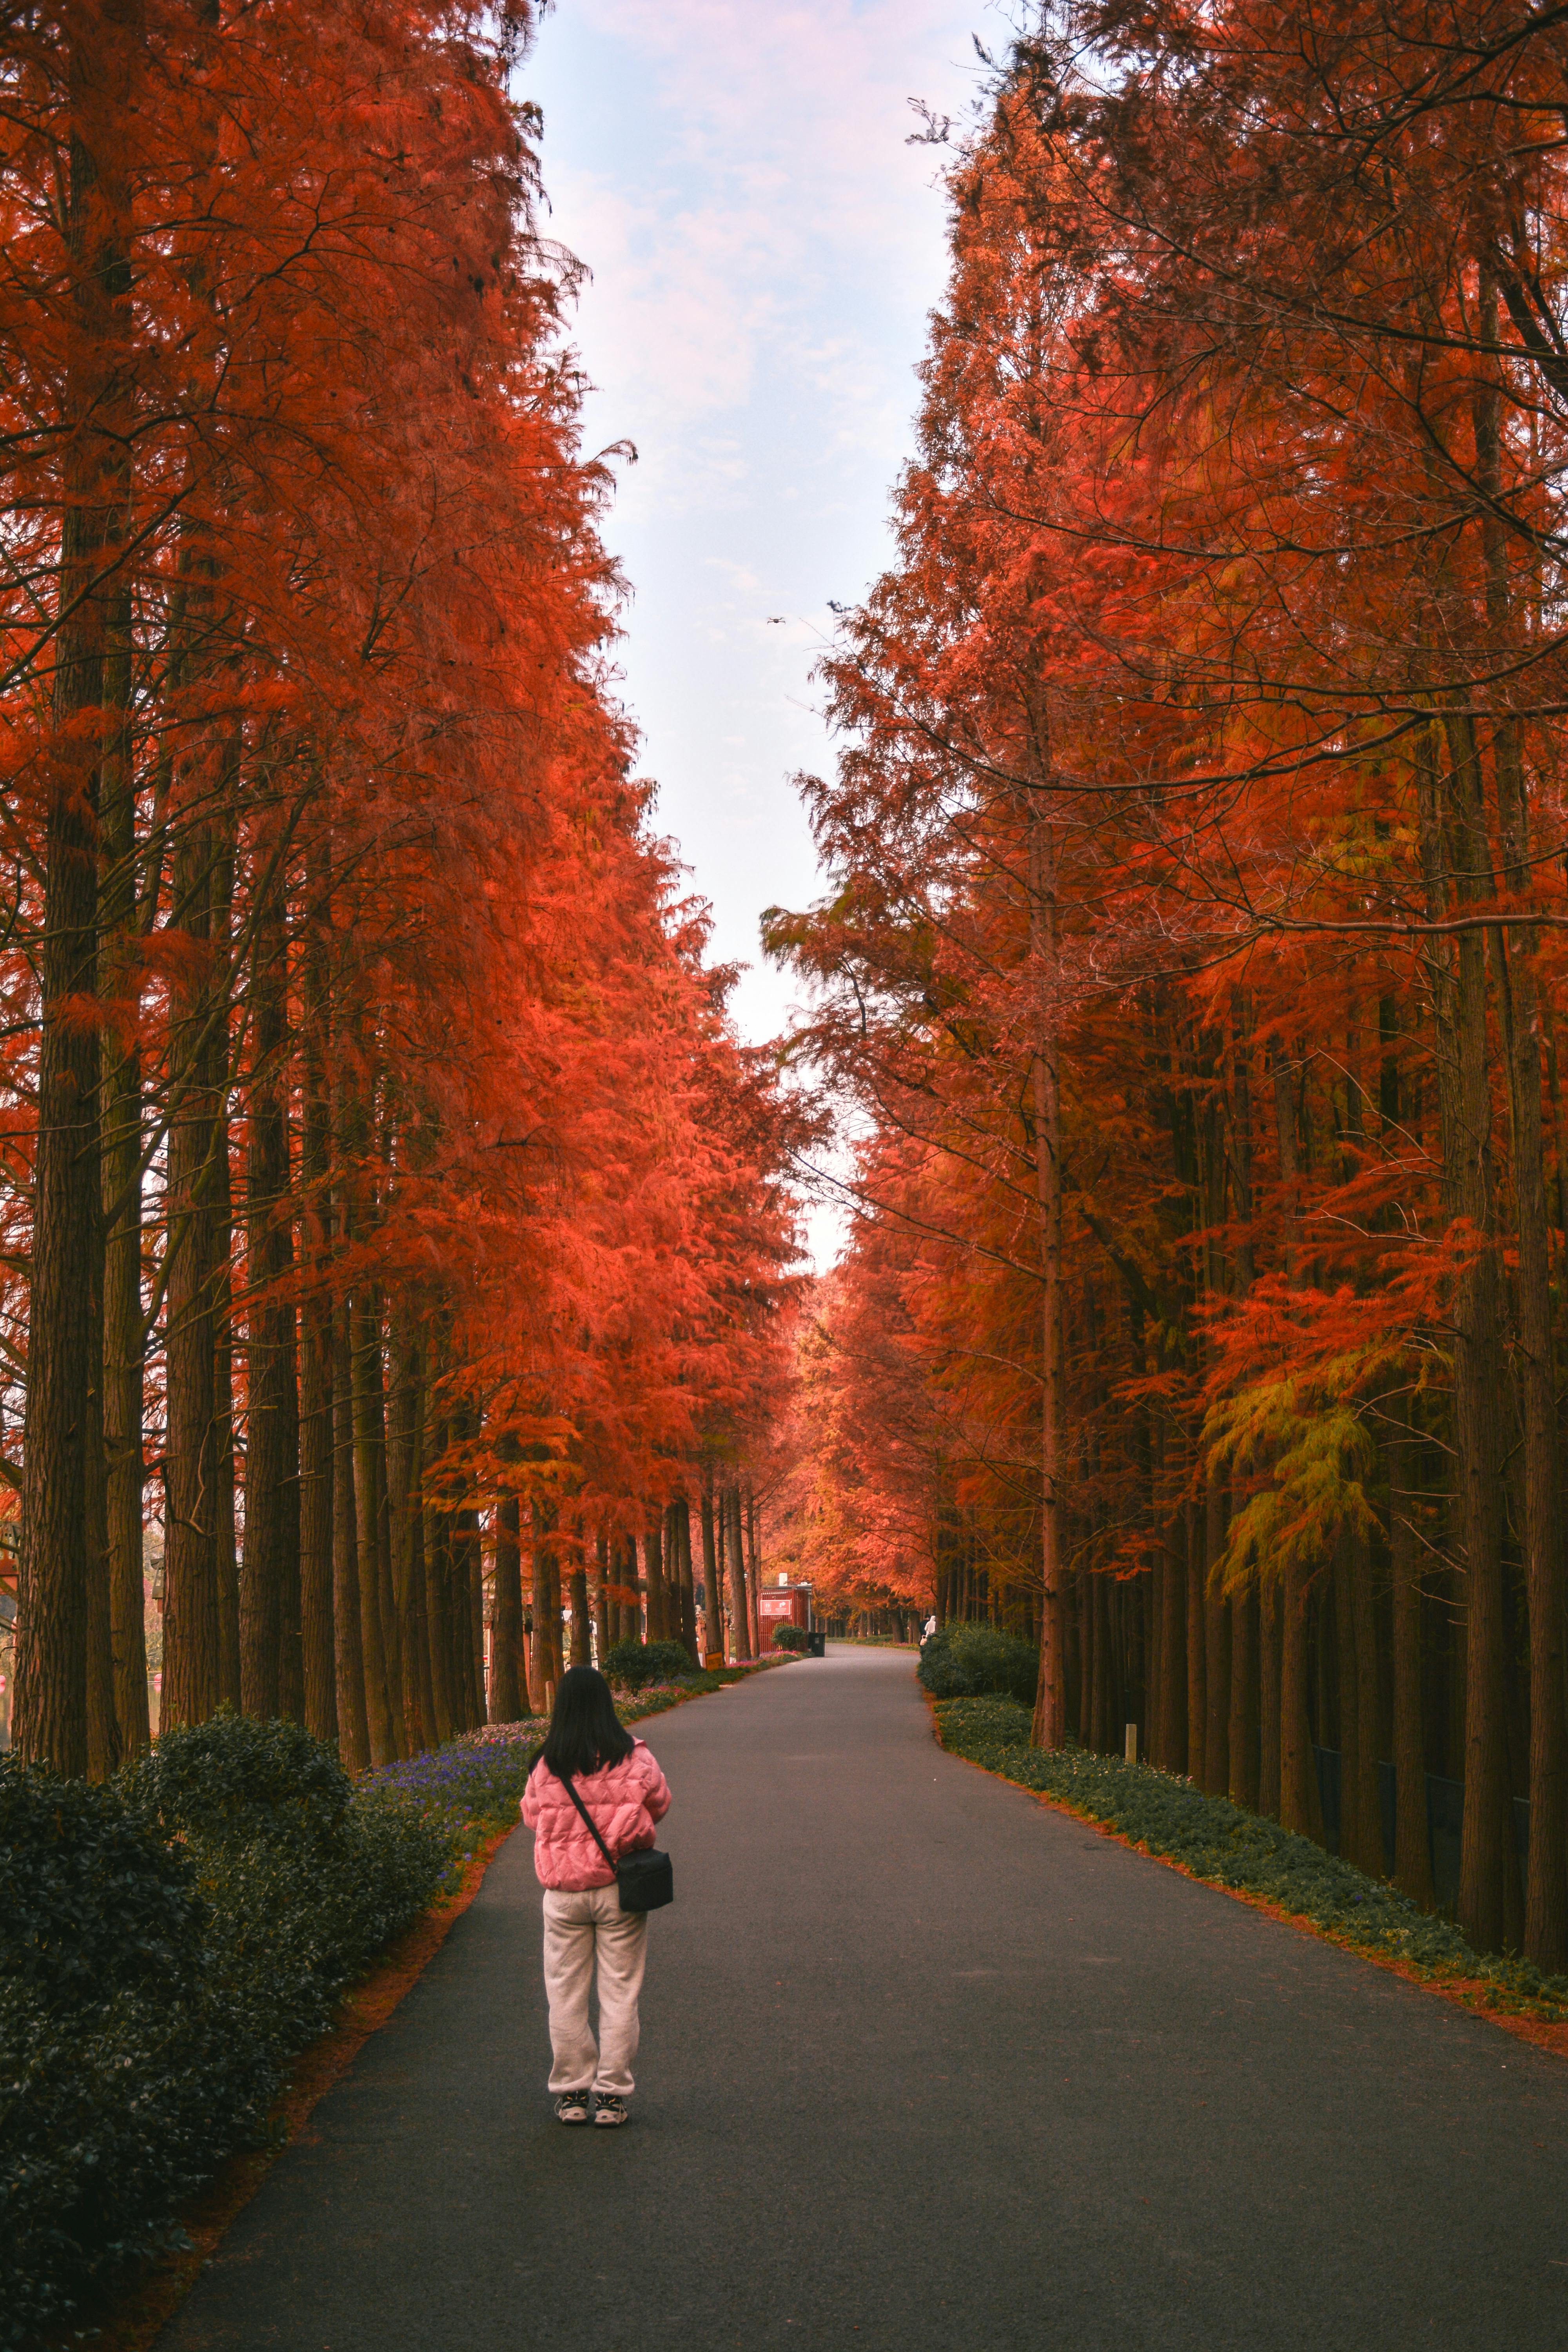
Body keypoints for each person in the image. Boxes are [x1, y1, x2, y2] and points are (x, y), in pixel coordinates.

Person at [520, 1664, 671, 2127]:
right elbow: (661, 1804)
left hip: (563, 1893)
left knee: (564, 1994)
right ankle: (610, 2095)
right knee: (620, 1992)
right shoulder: (634, 1756)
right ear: (606, 1703)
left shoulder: (546, 1763)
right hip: (617, 1888)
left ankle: (571, 2093)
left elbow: (531, 1816)